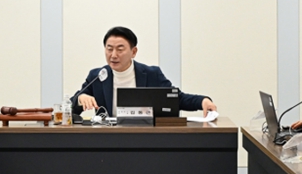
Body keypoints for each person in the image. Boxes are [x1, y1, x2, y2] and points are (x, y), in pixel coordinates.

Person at [73, 27, 217, 117]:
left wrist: (202, 101)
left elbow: (176, 99)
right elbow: (70, 107)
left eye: (120, 49)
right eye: (109, 49)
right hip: (108, 141)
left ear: (133, 52)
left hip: (145, 138)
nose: (113, 55)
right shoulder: (97, 76)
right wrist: (81, 98)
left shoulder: (151, 74)